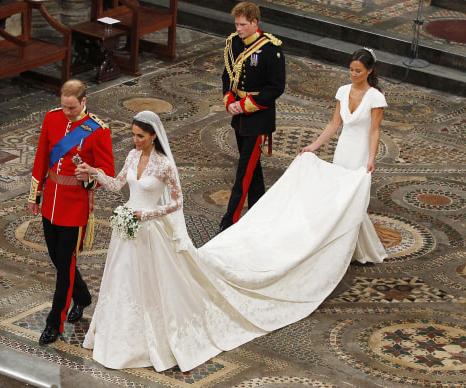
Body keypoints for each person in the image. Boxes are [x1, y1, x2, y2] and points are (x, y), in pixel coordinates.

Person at [76, 110, 375, 372]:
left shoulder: (164, 165)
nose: (135, 140)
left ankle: (150, 339)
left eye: (140, 136)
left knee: (152, 284)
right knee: (122, 282)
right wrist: (95, 173)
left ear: (154, 136)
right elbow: (118, 185)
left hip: (150, 230)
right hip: (127, 231)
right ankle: (116, 338)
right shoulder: (130, 156)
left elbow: (176, 203)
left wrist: (149, 213)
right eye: (133, 135)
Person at [28, 79, 115, 345]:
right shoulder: (51, 119)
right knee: (57, 258)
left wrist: (90, 175)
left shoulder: (97, 131)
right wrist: (36, 195)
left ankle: (54, 323)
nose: (67, 112)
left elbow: (107, 173)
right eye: (64, 106)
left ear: (83, 101)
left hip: (75, 206)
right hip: (52, 199)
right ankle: (83, 296)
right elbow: (42, 156)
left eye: (72, 107)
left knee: (65, 267)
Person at [301, 47, 387, 263]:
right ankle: (342, 248)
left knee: (352, 200)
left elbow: (374, 130)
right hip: (344, 149)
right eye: (351, 69)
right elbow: (334, 123)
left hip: (360, 152)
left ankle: (350, 250)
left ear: (369, 71)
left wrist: (371, 158)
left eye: (358, 71)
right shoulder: (342, 91)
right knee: (340, 197)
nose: (354, 74)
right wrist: (314, 145)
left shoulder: (375, 97)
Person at [220, 1, 286, 232]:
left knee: (244, 173)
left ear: (255, 23)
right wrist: (229, 100)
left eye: (243, 24)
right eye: (236, 24)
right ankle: (260, 215)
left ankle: (229, 224)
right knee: (253, 171)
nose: (238, 29)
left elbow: (276, 87)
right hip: (239, 116)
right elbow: (227, 75)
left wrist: (245, 106)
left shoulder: (270, 49)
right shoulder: (234, 43)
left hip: (258, 117)